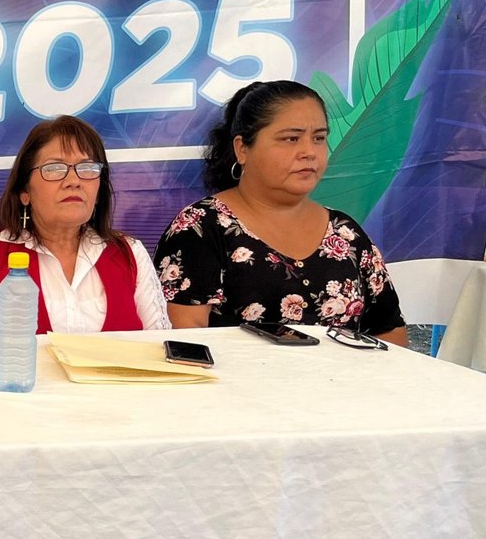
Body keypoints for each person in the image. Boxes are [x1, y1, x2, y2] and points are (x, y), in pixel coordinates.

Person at [154, 80, 407, 344]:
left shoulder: (346, 233)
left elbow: (390, 332)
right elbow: (185, 342)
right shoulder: (200, 227)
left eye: (319, 138)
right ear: (242, 148)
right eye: (291, 139)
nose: (309, 152)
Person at [0, 115, 168, 337]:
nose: (74, 181)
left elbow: (161, 348)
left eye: (87, 168)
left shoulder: (130, 253)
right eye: (55, 169)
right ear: (24, 192)